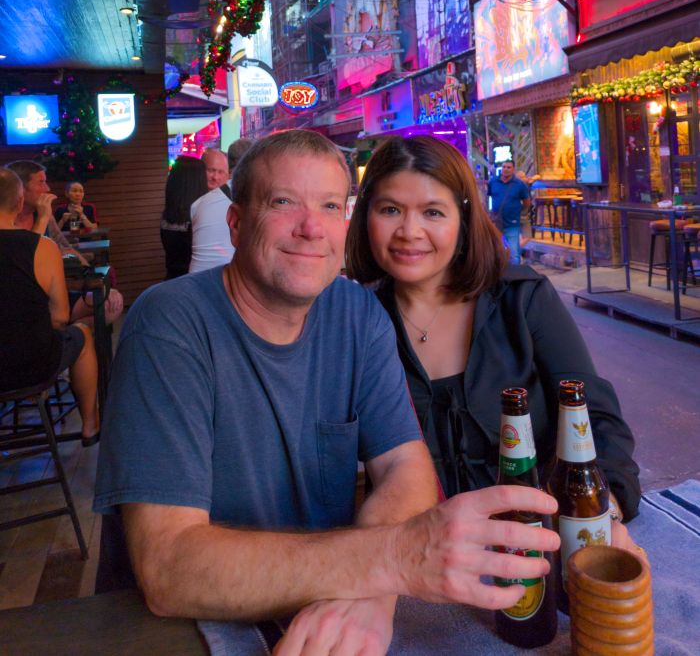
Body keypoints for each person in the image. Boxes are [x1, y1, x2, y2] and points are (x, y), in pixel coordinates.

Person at [94, 129, 560, 654]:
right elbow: (169, 569)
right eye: (283, 202)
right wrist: (387, 563)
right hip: (175, 634)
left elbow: (407, 473)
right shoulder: (169, 323)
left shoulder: (357, 314)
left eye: (330, 205)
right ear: (236, 223)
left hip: (325, 615)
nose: (311, 227)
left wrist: (372, 592)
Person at [345, 135, 641, 550]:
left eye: (433, 212)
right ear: (365, 217)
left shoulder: (522, 299)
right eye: (390, 209)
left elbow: (596, 416)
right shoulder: (356, 325)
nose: (409, 232)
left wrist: (602, 509)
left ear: (463, 220)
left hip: (541, 549)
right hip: (423, 564)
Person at [0, 168, 99, 446]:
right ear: (19, 203)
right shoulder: (41, 248)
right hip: (33, 365)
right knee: (81, 334)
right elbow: (59, 318)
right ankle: (90, 426)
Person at [7, 160, 123, 325]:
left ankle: (64, 335)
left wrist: (90, 279)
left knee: (111, 305)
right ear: (20, 188)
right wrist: (44, 218)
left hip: (57, 291)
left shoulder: (50, 215)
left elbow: (66, 246)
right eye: (41, 182)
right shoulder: (7, 219)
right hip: (24, 299)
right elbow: (24, 263)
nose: (47, 189)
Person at [159, 155, 208, 279]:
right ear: (197, 183)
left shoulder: (169, 216)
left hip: (172, 280)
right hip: (193, 283)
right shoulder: (199, 218)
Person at [189, 148, 235, 273]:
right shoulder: (191, 200)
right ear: (200, 171)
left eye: (221, 172)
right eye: (211, 171)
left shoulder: (233, 203)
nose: (215, 177)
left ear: (228, 176)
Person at [487, 159, 530, 264]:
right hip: (496, 223)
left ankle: (514, 277)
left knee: (514, 254)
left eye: (508, 167)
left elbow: (526, 202)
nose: (505, 169)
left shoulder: (519, 184)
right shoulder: (493, 182)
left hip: (512, 222)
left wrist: (518, 212)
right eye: (504, 167)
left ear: (513, 170)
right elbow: (488, 198)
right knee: (496, 252)